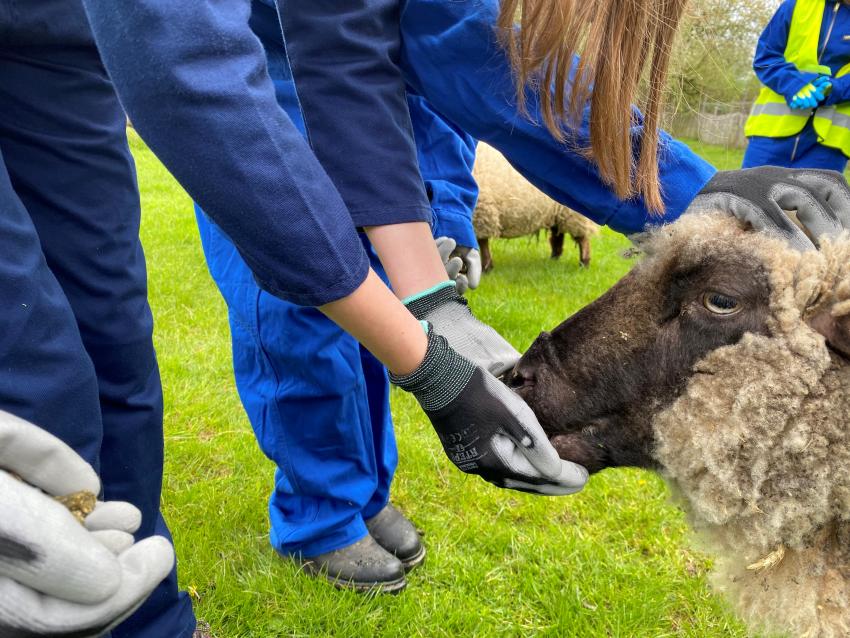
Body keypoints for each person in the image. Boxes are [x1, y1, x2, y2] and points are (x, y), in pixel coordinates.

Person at [3, 0, 850, 634]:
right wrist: (428, 363)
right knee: (38, 367)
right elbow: (182, 63)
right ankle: (300, 519)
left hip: (64, 46)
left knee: (109, 333)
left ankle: (141, 612)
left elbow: (383, 35)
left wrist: (430, 299)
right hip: (179, 36)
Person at [193, 0, 483, 592]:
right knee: (295, 320)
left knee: (374, 329)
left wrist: (446, 205)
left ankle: (366, 492)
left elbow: (437, 78)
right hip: (258, 106)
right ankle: (318, 516)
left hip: (367, 137)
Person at [743, 0, 850, 172]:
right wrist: (795, 84)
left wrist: (834, 88)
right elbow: (765, 57)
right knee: (749, 196)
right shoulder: (797, 4)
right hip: (772, 132)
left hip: (829, 143)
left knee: (811, 200)